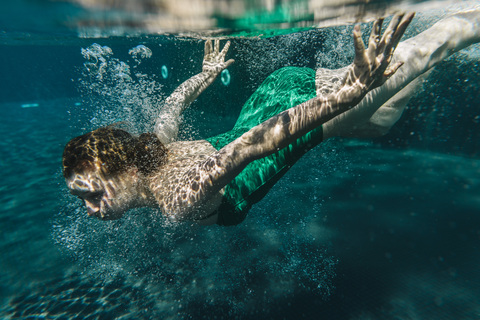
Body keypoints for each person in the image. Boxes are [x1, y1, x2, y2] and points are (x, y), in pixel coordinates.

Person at [62, 11, 479, 226]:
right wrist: (204, 76)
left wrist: (350, 92)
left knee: (431, 49)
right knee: (383, 118)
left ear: (125, 170)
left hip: (293, 114)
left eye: (93, 195)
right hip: (273, 98)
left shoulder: (178, 198)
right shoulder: (153, 152)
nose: (90, 209)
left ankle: (464, 19)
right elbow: (171, 106)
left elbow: (255, 144)